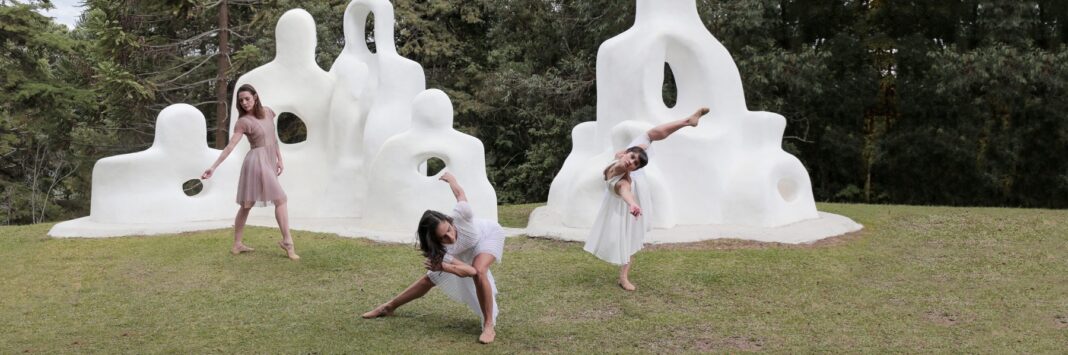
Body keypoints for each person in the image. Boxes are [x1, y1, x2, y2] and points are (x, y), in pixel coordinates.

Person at [362, 172, 505, 344]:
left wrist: (452, 180)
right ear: (434, 241)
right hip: (461, 253)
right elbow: (468, 271)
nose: (450, 238)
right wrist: (443, 268)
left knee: (480, 271)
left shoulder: (462, 213)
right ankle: (387, 307)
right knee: (429, 279)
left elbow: (459, 194)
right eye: (443, 237)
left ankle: (489, 325)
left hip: (486, 236)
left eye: (449, 230)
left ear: (449, 220)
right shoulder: (438, 249)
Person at [584, 107, 710, 290]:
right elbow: (624, 191)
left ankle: (687, 121)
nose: (631, 161)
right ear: (625, 155)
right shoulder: (622, 170)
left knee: (649, 136)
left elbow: (627, 188)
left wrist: (633, 204)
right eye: (631, 158)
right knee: (625, 234)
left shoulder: (624, 168)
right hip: (622, 195)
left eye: (635, 162)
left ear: (633, 167)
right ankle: (686, 122)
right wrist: (632, 202)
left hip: (633, 192)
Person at [201, 84, 299, 260]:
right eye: (241, 100)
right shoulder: (243, 122)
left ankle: (237, 244)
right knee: (280, 199)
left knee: (247, 205)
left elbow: (273, 138)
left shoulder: (268, 112)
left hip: (268, 160)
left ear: (255, 96)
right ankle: (287, 242)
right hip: (256, 162)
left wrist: (279, 159)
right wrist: (213, 166)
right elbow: (230, 145)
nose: (244, 103)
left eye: (247, 98)